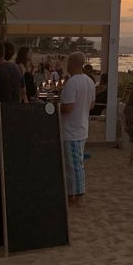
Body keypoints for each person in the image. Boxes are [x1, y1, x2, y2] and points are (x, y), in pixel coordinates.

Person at [59, 52, 96, 206]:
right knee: (76, 162)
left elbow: (68, 107)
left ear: (72, 63)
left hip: (71, 130)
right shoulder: (89, 81)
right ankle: (74, 194)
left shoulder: (73, 82)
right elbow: (92, 105)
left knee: (73, 165)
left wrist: (55, 107)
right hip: (81, 127)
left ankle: (76, 195)